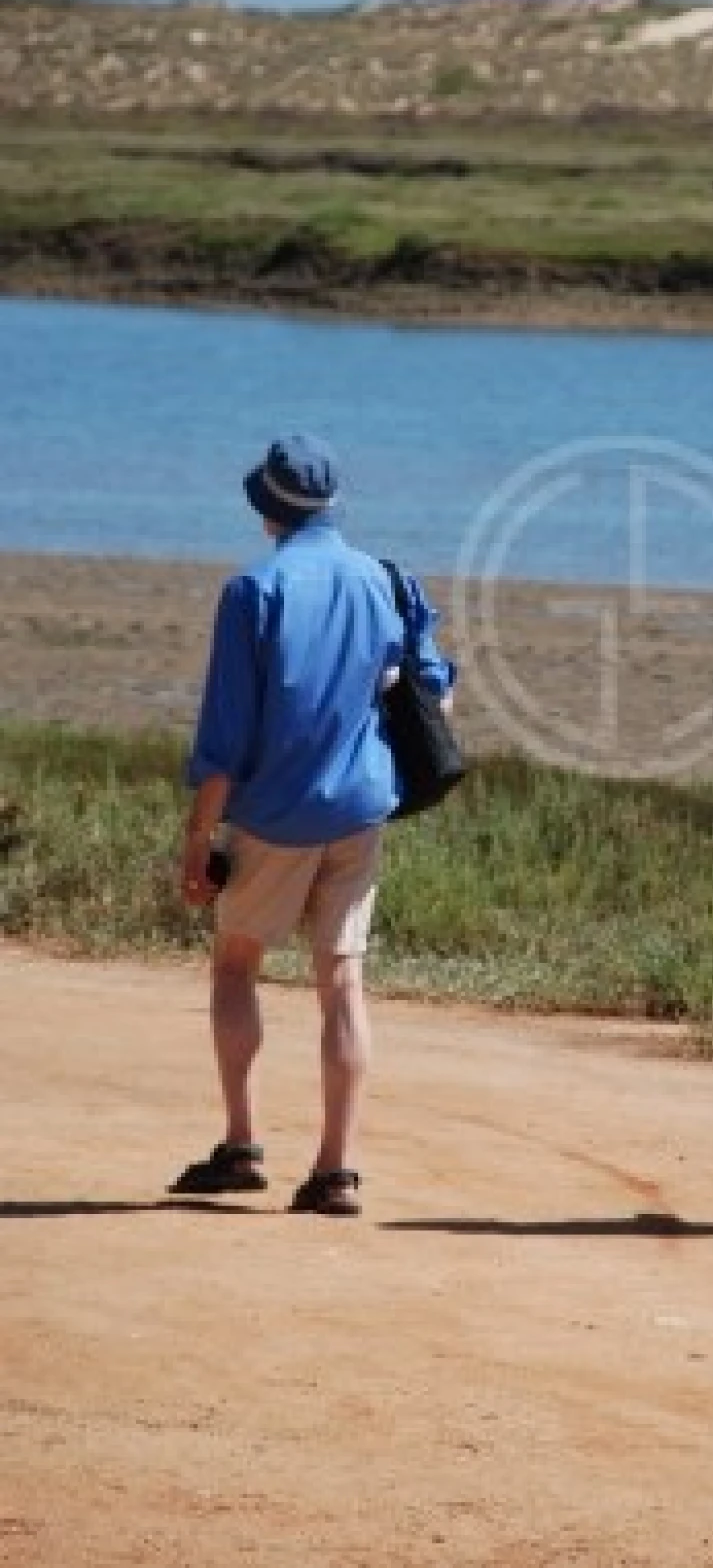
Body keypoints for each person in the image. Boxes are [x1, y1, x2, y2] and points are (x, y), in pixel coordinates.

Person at [169, 433, 456, 1218]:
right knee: (342, 980)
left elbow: (223, 743)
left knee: (236, 964)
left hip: (272, 816)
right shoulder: (387, 581)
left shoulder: (252, 592)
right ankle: (336, 1170)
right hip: (362, 807)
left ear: (265, 508)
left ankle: (240, 1146)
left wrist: (198, 842)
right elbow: (437, 691)